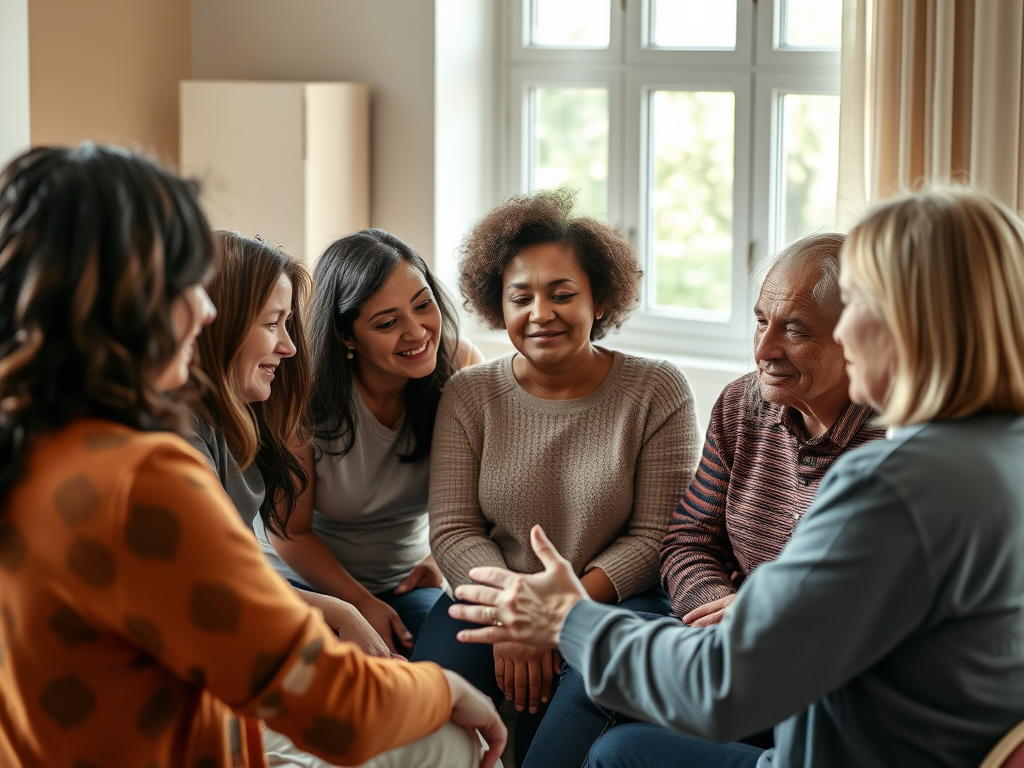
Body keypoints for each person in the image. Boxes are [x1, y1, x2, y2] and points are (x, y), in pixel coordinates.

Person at [450, 188, 1024, 767]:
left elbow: (724, 687)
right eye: (761, 322)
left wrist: (568, 618)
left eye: (855, 308)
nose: (847, 334)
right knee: (620, 744)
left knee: (617, 755)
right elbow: (693, 543)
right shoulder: (1001, 449)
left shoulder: (890, 485)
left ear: (913, 326)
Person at [0, 144, 504, 768]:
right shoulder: (140, 475)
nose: (205, 309)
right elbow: (315, 695)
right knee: (451, 737)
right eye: (188, 283)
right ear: (125, 297)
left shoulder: (43, 440)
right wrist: (443, 692)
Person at [523, 233, 887, 767]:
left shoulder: (894, 446)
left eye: (795, 330)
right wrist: (715, 612)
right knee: (595, 671)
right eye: (760, 322)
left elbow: (870, 602)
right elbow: (689, 538)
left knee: (617, 743)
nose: (763, 351)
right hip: (728, 646)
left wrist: (759, 617)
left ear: (858, 335)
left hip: (819, 682)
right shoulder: (743, 405)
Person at [413, 189, 701, 744]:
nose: (540, 313)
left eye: (562, 294)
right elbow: (453, 530)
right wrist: (514, 613)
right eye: (520, 298)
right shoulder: (469, 394)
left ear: (600, 300)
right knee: (423, 726)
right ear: (499, 306)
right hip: (487, 598)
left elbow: (655, 537)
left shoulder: (658, 390)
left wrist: (560, 613)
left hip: (613, 603)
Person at [256, 229, 484, 655]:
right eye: (387, 323)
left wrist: (439, 559)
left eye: (423, 305)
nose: (417, 332)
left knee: (447, 670)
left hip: (403, 583)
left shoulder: (461, 365)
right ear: (347, 336)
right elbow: (290, 533)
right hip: (302, 583)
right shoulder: (302, 396)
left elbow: (484, 499)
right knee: (355, 679)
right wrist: (359, 604)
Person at [188, 231, 391, 658]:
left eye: (287, 324)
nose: (290, 346)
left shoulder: (237, 419)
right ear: (216, 322)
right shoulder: (182, 430)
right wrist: (342, 612)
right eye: (271, 323)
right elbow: (216, 578)